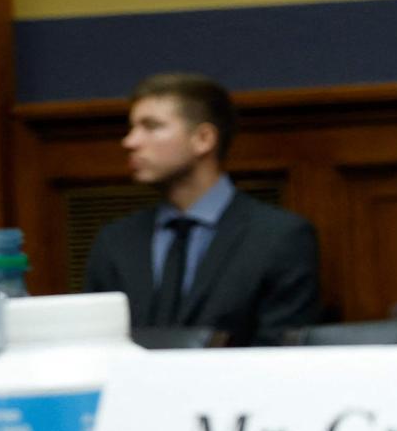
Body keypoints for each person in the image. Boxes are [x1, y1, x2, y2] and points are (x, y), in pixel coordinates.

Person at [83, 72, 319, 344]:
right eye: (132, 128)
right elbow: (96, 344)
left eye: (151, 126)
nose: (130, 142)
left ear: (203, 139)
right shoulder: (115, 241)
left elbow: (281, 351)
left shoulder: (279, 237)